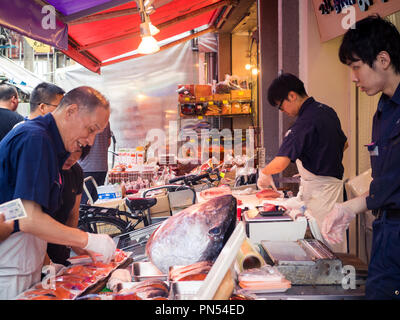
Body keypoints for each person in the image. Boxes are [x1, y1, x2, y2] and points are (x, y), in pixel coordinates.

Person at [0, 86, 116, 299]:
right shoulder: (35, 138)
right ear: (71, 111)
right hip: (8, 268)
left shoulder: (48, 143)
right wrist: (86, 239)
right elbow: (29, 219)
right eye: (91, 129)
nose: (90, 141)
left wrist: (49, 263)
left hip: (24, 263)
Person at [322, 15, 400, 300]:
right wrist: (350, 207)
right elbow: (388, 176)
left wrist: (354, 205)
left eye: (356, 67)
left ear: (383, 59)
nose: (353, 77)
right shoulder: (384, 109)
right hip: (385, 231)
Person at [257, 73, 348, 252]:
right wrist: (314, 164)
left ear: (292, 96)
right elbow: (344, 144)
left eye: (280, 106)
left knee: (323, 248)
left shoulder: (303, 123)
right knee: (334, 240)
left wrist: (264, 173)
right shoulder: (327, 111)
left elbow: (280, 163)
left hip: (321, 197)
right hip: (332, 189)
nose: (283, 112)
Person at [46, 145, 91, 266]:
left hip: (61, 247)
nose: (71, 157)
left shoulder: (76, 171)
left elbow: (73, 214)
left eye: (77, 151)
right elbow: (32, 220)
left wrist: (73, 243)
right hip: (37, 249)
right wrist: (46, 262)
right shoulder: (45, 171)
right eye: (67, 151)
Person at [79, 121, 112, 204]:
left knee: (83, 204)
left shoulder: (81, 120)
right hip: (102, 167)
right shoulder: (105, 120)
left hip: (85, 167)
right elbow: (108, 143)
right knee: (97, 203)